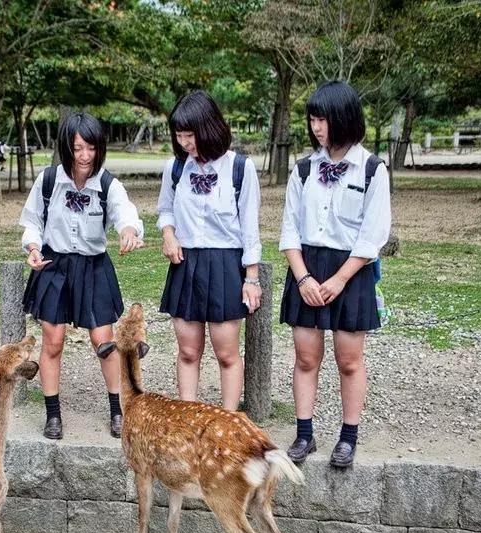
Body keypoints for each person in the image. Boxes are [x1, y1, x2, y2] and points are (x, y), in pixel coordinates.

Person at [278, 80, 391, 468]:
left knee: (349, 359)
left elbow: (373, 235)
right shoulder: (304, 168)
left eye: (322, 120)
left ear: (343, 119)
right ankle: (304, 434)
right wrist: (303, 278)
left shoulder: (373, 169)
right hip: (306, 268)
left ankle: (348, 436)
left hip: (351, 272)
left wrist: (340, 279)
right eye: (312, 120)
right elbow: (289, 229)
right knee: (306, 357)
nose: (316, 128)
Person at [19, 112, 145, 440]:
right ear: (66, 148)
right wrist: (32, 246)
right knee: (53, 341)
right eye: (77, 148)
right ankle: (53, 414)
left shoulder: (106, 183)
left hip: (93, 266)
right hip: (54, 266)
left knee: (103, 341)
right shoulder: (48, 180)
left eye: (90, 147)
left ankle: (118, 410)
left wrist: (129, 231)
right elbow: (32, 221)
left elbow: (124, 212)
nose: (84, 155)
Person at [156, 90, 262, 412]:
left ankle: (227, 421)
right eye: (180, 135)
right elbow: (166, 210)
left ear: (209, 129)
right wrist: (168, 234)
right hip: (185, 263)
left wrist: (251, 278)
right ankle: (189, 420)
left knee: (226, 353)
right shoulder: (176, 168)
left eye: (191, 135)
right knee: (188, 351)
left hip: (226, 264)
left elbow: (250, 228)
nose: (186, 142)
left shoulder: (240, 168)